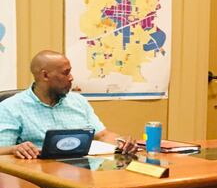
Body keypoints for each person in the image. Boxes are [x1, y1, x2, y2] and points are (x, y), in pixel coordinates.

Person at [0, 50, 136, 158]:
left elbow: (102, 135)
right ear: (45, 76)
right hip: (37, 177)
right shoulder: (11, 107)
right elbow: (2, 150)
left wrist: (121, 141)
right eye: (66, 73)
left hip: (81, 172)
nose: (71, 78)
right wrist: (15, 149)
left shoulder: (78, 102)